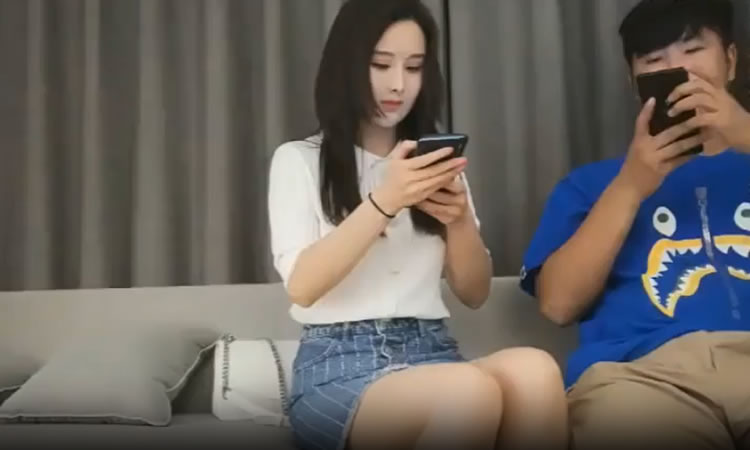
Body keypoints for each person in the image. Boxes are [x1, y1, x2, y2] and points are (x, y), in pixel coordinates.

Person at [268, 0, 568, 449]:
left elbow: (474, 293)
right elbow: (303, 286)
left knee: (537, 372)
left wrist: (460, 221)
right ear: (347, 66)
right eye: (380, 65)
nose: (398, 84)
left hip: (431, 350)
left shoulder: (434, 165)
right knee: (469, 391)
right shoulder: (299, 161)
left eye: (413, 67)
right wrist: (385, 200)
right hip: (339, 363)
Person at [520, 0, 750, 449]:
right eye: (654, 60)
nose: (679, 70)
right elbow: (558, 305)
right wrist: (630, 186)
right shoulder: (590, 184)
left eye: (693, 50)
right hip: (643, 377)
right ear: (634, 82)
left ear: (731, 60)